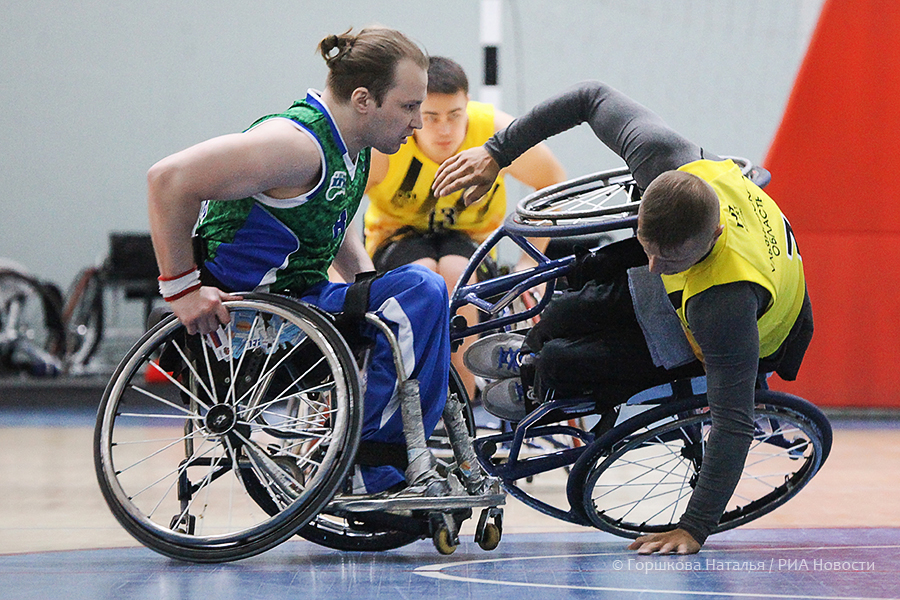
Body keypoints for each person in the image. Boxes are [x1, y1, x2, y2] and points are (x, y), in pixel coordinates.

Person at [433, 80, 813, 554]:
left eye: (665, 262)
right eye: (648, 250)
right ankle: (532, 350)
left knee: (568, 365)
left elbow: (734, 423)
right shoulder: (663, 156)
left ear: (713, 235)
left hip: (748, 322)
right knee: (571, 307)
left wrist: (694, 528)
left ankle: (537, 375)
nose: (652, 266)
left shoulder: (723, 307)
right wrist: (496, 152)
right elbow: (590, 97)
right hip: (697, 267)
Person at [147, 27, 450, 496]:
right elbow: (168, 180)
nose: (417, 124)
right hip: (248, 320)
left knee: (427, 295)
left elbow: (335, 216)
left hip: (299, 301)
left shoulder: (351, 144)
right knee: (423, 288)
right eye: (410, 107)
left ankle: (388, 454)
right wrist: (182, 290)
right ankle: (370, 466)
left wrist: (366, 283)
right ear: (364, 99)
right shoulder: (295, 145)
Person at [364, 55, 566, 398]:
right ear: (413, 112)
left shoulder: (494, 130)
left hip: (470, 239)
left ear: (468, 106)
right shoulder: (388, 141)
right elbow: (341, 201)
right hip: (396, 236)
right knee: (423, 276)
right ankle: (408, 397)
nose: (444, 129)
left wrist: (531, 258)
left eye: (454, 115)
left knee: (457, 274)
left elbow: (552, 182)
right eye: (431, 117)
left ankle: (461, 401)